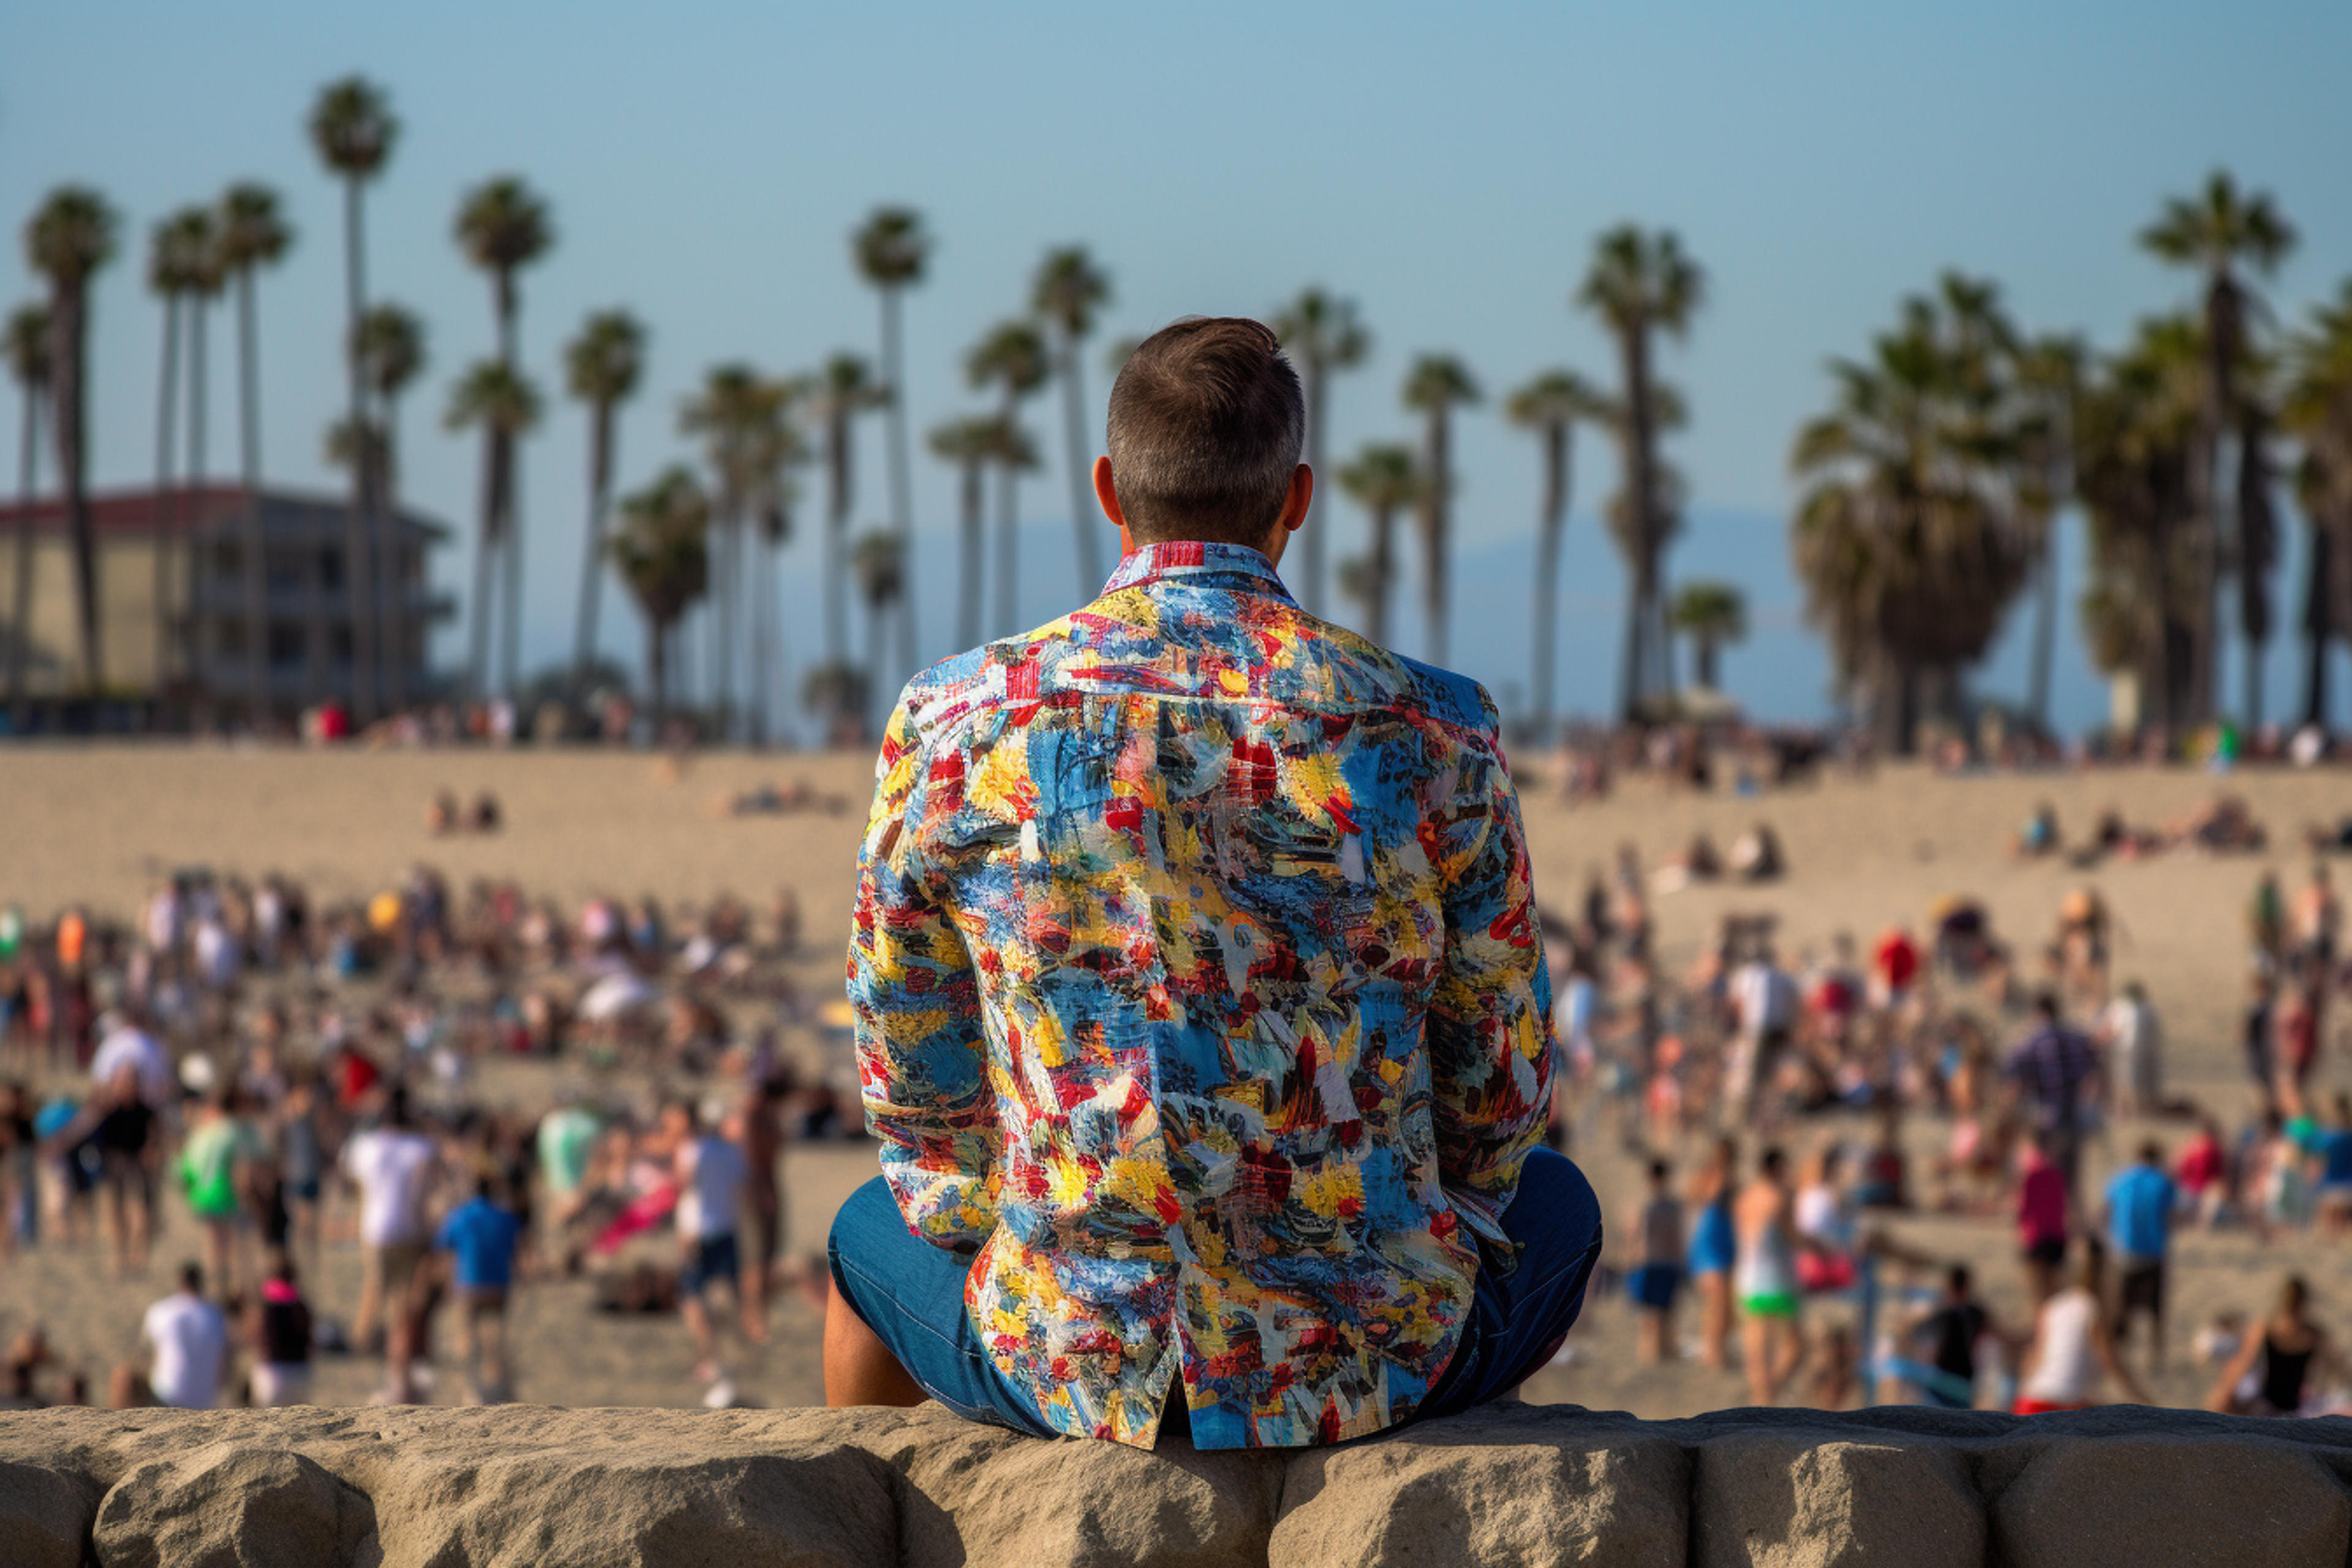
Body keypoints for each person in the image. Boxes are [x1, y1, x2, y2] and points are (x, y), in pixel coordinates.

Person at [827, 317, 1591, 1450]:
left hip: (1074, 1357)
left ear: (1107, 488)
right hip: (1366, 1359)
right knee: (1560, 1207)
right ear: (1297, 498)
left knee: (862, 1230)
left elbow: (912, 1075)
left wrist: (1010, 1216)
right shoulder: (1435, 724)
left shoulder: (959, 717)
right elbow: (1500, 1099)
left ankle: (867, 1507)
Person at [341, 1088, 438, 1401]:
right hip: (408, 1229)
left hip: (374, 1228)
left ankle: (364, 1347)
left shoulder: (365, 1147)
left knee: (377, 1290)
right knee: (402, 1305)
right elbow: (423, 1194)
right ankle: (398, 1376)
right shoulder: (420, 1147)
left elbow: (354, 1185)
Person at [669, 1099, 756, 1387]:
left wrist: (681, 1234)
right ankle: (739, 1350)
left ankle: (709, 1358)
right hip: (726, 1228)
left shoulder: (691, 1151)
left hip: (696, 1230)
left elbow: (683, 1191)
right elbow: (743, 1193)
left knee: (692, 1297)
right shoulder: (733, 1153)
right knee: (726, 1294)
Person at [2015, 1242, 2148, 1413]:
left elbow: (2034, 1362)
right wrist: (2142, 1399)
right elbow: (2111, 1361)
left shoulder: (2053, 1306)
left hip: (2030, 1400)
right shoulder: (2091, 1308)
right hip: (2060, 1406)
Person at [433, 1177, 522, 1403]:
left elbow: (445, 1250)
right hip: (498, 1283)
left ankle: (469, 1390)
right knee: (495, 1335)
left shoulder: (461, 1216)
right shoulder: (505, 1217)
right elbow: (516, 1250)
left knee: (467, 1336)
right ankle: (499, 1388)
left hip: (469, 1283)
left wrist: (447, 1284)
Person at [2005, 992, 2100, 1203]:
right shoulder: (2076, 1037)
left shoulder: (2032, 1042)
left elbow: (2013, 1073)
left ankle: (2052, 1213)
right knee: (2072, 1171)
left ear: (2038, 1013)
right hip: (2075, 1113)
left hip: (2047, 1114)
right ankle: (2073, 1213)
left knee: (2047, 1167)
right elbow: (2094, 1069)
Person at [176, 1088, 267, 1308]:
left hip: (202, 1194)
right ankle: (234, 1293)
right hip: (226, 1193)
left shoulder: (201, 1133)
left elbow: (185, 1170)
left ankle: (217, 1291)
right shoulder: (232, 1130)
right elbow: (249, 1161)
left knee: (214, 1245)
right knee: (237, 1246)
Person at [2207, 1276, 2342, 1416]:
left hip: (2269, 1403)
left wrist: (2223, 1392)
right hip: (2293, 1405)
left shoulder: (2267, 1328)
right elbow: (2337, 1366)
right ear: (2304, 1303)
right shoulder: (2312, 1333)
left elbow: (2242, 1363)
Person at [1735, 1147, 1806, 1406]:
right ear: (1776, 1167)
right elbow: (1793, 1236)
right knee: (1796, 1346)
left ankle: (1761, 1399)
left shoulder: (1747, 1197)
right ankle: (1770, 1396)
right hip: (1777, 1276)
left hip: (1749, 1276)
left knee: (1756, 1350)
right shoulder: (1781, 1196)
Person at [2103, 1140, 2177, 1373]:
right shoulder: (2163, 1182)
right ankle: (2155, 1354)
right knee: (2156, 1308)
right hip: (2154, 1252)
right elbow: (2171, 1217)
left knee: (2119, 1306)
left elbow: (2106, 1212)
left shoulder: (2120, 1179)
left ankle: (2115, 1352)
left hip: (2123, 1251)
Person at [1904, 1264, 1996, 1409]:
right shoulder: (1976, 1312)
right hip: (1964, 1375)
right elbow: (1995, 1335)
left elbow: (1912, 1330)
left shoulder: (1940, 1310)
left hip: (1942, 1374)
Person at [141, 1262, 228, 1411]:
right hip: (203, 1396)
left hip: (167, 1392)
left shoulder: (162, 1311)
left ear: (181, 1282)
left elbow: (146, 1351)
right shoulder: (216, 1315)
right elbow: (225, 1360)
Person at [1687, 1137, 1739, 1371]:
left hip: (1723, 1233)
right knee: (1717, 1299)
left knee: (1725, 1300)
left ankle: (1717, 1349)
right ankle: (1713, 1351)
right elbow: (1702, 1197)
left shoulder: (1720, 1174)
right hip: (1712, 1234)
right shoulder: (1715, 1174)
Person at [1626, 1160, 1683, 1364]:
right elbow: (1676, 1236)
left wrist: (1630, 1258)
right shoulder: (1669, 1205)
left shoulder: (1645, 1204)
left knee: (1652, 1312)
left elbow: (1633, 1235)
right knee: (1661, 1311)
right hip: (1662, 1261)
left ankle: (1652, 1352)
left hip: (1650, 1261)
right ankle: (1659, 1351)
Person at [246, 1252, 314, 1408]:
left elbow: (253, 1335)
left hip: (271, 1374)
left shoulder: (264, 1306)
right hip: (299, 1373)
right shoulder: (301, 1306)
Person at [2016, 1128, 2070, 1302]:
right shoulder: (2057, 1173)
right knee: (2055, 1291)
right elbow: (2064, 1205)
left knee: (2038, 1292)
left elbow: (2023, 1206)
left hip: (2036, 1236)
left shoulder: (2029, 1173)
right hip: (2057, 1235)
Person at [2098, 981, 2164, 1119]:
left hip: (2125, 1051)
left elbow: (2110, 1031)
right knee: (2145, 1083)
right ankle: (2146, 1109)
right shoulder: (2150, 1009)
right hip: (2149, 1051)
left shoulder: (2119, 1008)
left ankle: (2127, 1110)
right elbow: (2157, 1032)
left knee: (2124, 1082)